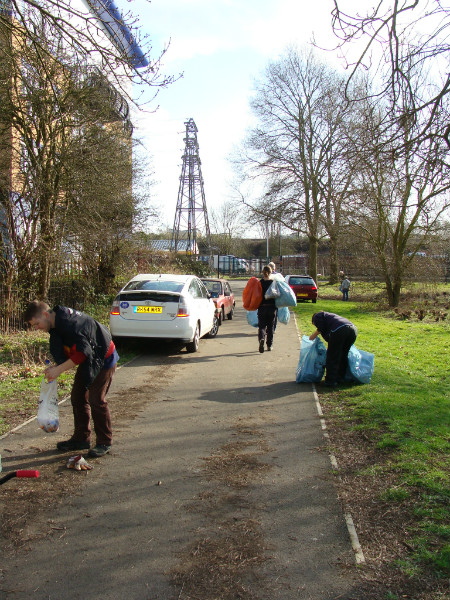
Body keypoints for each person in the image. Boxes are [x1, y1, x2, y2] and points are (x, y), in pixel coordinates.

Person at [24, 301, 119, 458]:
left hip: (104, 358)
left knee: (96, 399)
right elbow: (71, 350)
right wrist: (55, 367)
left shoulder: (70, 324)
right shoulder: (55, 324)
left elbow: (83, 353)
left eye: (37, 323)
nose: (36, 328)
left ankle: (104, 442)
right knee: (77, 396)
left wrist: (58, 370)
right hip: (89, 359)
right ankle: (81, 439)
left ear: (46, 315)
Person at [309, 311, 357, 387]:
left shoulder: (317, 316)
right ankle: (340, 378)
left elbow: (321, 328)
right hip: (353, 330)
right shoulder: (330, 317)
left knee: (332, 357)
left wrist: (313, 336)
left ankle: (330, 381)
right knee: (343, 355)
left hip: (340, 330)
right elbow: (330, 336)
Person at [257, 265, 278, 353]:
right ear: (271, 272)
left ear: (263, 272)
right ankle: (269, 345)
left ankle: (261, 338)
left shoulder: (259, 283)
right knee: (270, 327)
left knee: (262, 326)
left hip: (262, 307)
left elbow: (256, 295)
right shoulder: (273, 282)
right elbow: (277, 294)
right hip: (271, 307)